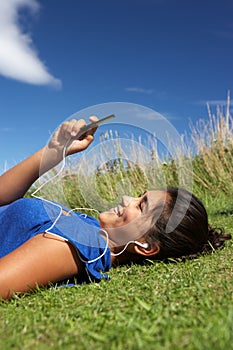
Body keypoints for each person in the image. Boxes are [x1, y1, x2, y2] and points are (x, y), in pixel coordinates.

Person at [0, 117, 230, 300]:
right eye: (140, 196)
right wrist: (55, 150)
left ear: (146, 245)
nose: (126, 198)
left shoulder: (79, 246)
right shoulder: (92, 229)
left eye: (141, 205)